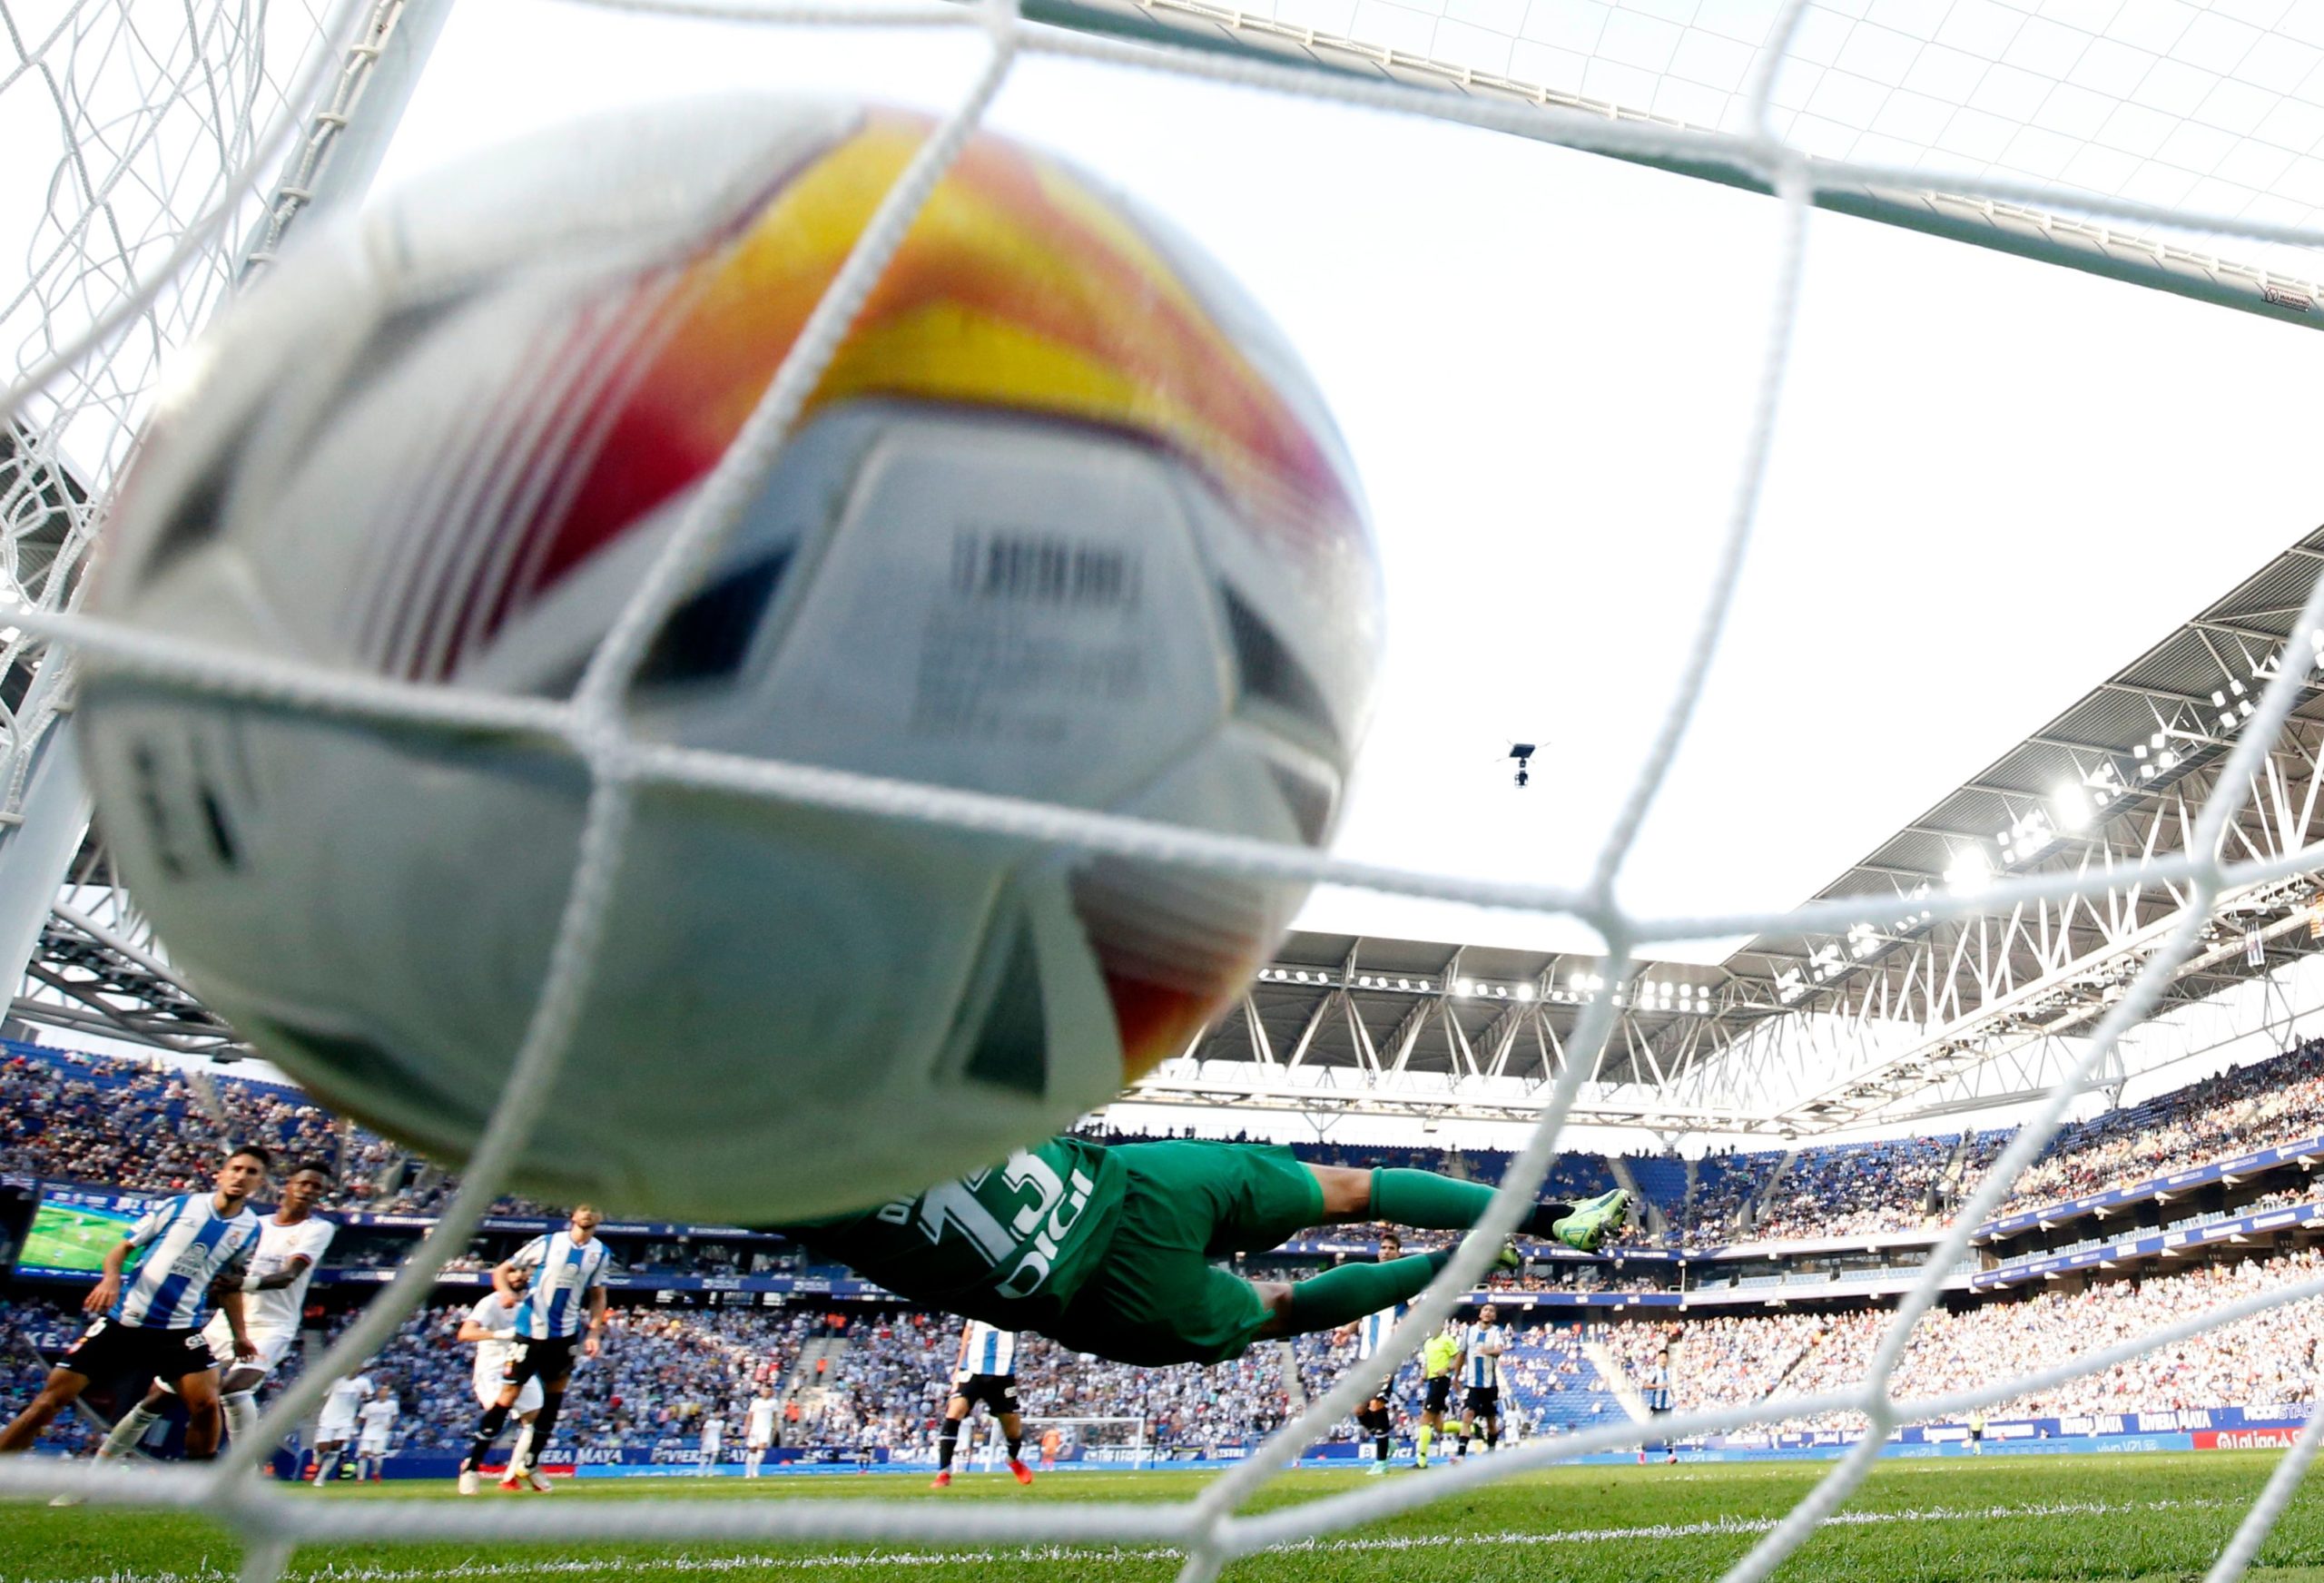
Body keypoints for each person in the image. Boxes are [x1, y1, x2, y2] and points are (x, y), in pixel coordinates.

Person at [773, 1133, 1630, 1372]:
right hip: (1123, 1187)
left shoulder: (748, 1171)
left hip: (1101, 1297)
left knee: (1282, 1310)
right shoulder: (874, 1049)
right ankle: (1550, 1218)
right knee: (1353, 1189)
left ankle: (1461, 1265)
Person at [0, 1146, 268, 1467]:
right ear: (221, 1174)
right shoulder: (180, 1206)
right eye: (236, 1168)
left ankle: (199, 1485)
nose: (241, 1176)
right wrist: (110, 1279)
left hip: (178, 1330)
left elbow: (229, 1286)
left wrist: (240, 1334)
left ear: (259, 1183)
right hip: (124, 1321)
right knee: (48, 1403)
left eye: (251, 1172)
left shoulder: (250, 1229)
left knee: (207, 1406)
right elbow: (122, 1248)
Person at [94, 1159, 337, 1468]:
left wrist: (240, 1283)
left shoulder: (318, 1229)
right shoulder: (254, 1226)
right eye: (303, 1183)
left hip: (271, 1325)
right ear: (288, 1185)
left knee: (234, 1389)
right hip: (225, 1323)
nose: (308, 1190)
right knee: (157, 1397)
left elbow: (288, 1276)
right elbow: (224, 1273)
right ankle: (97, 1469)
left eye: (316, 1187)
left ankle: (244, 1472)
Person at [458, 1205, 609, 1495]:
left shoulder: (600, 1253)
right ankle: (472, 1466)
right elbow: (502, 1270)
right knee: (507, 1396)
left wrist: (593, 1331)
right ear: (573, 1215)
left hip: (565, 1335)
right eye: (583, 1208)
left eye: (593, 1210)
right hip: (531, 1332)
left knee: (552, 1401)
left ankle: (530, 1463)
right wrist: (505, 1292)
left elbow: (598, 1295)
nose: (588, 1214)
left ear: (600, 1217)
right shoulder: (548, 1242)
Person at [455, 1270, 543, 1484]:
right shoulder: (491, 1302)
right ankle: (471, 1465)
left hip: (520, 1364)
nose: (518, 1276)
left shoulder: (532, 1302)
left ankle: (511, 1476)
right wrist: (499, 1334)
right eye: (512, 1271)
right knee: (498, 1416)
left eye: (523, 1271)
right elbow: (465, 1333)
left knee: (535, 1419)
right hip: (492, 1370)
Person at [1334, 1232, 1407, 1476]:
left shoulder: (1404, 1280)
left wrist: (1404, 1325)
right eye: (1383, 1247)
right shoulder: (1369, 1280)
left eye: (1391, 1248)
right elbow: (1361, 1313)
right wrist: (1347, 1330)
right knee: (1358, 1409)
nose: (1386, 1251)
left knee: (1377, 1404)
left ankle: (1381, 1461)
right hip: (1364, 1355)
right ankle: (1387, 1443)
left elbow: (1418, 1309)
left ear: (1399, 1253)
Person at [932, 1318, 1031, 1489]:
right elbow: (968, 1330)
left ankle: (1012, 1459)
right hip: (972, 1369)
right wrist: (958, 1367)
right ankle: (944, 1472)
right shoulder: (978, 1305)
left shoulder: (1017, 1307)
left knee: (1013, 1428)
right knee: (954, 1411)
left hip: (1003, 1373)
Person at [1452, 1303, 1507, 1460]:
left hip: (1490, 1385)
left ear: (1494, 1316)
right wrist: (1456, 1377)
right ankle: (1461, 1455)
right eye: (1485, 1310)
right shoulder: (1469, 1331)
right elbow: (1461, 1355)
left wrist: (1487, 1351)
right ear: (1480, 1314)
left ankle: (1491, 1452)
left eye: (1491, 1311)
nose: (1488, 1312)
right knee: (1467, 1416)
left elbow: (1499, 1350)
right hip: (1472, 1385)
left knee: (1491, 1421)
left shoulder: (1497, 1331)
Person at [1415, 1316, 1461, 1470]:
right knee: (1439, 1426)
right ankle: (1470, 1428)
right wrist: (1423, 1376)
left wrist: (1447, 1369)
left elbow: (1459, 1358)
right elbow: (1428, 1362)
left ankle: (1421, 1461)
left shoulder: (1447, 1340)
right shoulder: (1428, 1343)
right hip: (1431, 1381)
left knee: (1424, 1420)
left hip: (1440, 1382)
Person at [310, 1372, 371, 1482]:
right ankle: (318, 1452)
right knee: (323, 1446)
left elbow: (369, 1399)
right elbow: (323, 1396)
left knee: (336, 1447)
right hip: (329, 1418)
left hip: (347, 1420)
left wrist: (365, 1397)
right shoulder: (336, 1380)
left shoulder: (364, 1382)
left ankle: (320, 1478)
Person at [355, 1384, 399, 1480]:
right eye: (382, 1390)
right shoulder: (369, 1406)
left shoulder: (392, 1404)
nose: (383, 1392)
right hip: (368, 1432)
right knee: (364, 1454)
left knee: (377, 1456)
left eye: (386, 1390)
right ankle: (360, 1478)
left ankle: (376, 1473)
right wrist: (354, 1428)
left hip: (382, 1433)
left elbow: (395, 1416)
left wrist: (390, 1425)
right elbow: (360, 1417)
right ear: (378, 1392)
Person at [1640, 1347, 1674, 1466]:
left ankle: (1670, 1456)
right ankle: (1642, 1454)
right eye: (1661, 1357)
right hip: (1656, 1407)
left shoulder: (1670, 1371)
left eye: (1665, 1358)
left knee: (1669, 1430)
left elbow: (1669, 1387)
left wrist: (1673, 1395)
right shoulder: (1655, 1371)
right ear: (1658, 1359)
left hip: (1667, 1406)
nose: (1663, 1360)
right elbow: (1645, 1385)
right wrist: (1659, 1386)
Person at [743, 1386, 779, 1478]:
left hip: (766, 1428)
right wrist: (746, 1427)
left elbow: (775, 1415)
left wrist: (775, 1427)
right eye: (765, 1391)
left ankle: (756, 1470)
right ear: (761, 1392)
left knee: (762, 1448)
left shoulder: (774, 1402)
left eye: (769, 1391)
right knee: (752, 1449)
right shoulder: (756, 1402)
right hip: (755, 1428)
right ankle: (748, 1472)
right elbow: (750, 1415)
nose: (767, 1393)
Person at [697, 1410, 724, 1477]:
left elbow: (721, 1431)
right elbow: (705, 1430)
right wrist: (702, 1439)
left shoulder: (722, 1422)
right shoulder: (709, 1422)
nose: (717, 1415)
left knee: (714, 1455)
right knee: (704, 1455)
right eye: (716, 1414)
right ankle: (701, 1471)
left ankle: (710, 1471)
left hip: (716, 1440)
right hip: (708, 1439)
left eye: (719, 1414)